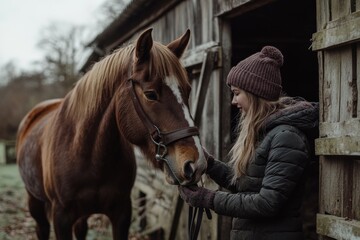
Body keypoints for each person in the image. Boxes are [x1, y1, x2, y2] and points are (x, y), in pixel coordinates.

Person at [179, 46, 319, 240]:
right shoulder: (266, 133)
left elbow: (267, 203)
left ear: (255, 94)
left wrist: (209, 198)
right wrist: (210, 164)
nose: (233, 101)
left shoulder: (287, 138)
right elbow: (247, 185)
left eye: (237, 93)